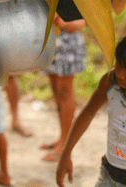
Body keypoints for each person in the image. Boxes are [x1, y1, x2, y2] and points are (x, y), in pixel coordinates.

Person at [56, 37, 126, 187]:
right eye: (119, 64)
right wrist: (66, 152)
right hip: (110, 175)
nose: (120, 74)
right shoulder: (109, 82)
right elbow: (88, 113)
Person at [41, 13, 86, 162]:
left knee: (64, 91)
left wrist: (72, 21)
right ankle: (62, 137)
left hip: (68, 42)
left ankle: (66, 143)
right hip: (52, 39)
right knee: (56, 89)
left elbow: (81, 20)